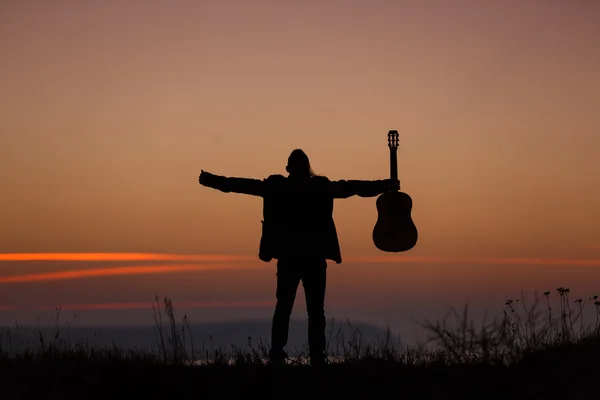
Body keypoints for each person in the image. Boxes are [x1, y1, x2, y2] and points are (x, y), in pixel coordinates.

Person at [198, 149, 399, 365]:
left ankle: (277, 353)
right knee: (314, 311)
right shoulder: (320, 187)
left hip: (289, 257)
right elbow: (353, 187)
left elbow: (239, 185)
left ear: (288, 169)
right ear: (307, 168)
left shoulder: (277, 187)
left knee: (284, 307)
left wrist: (211, 180)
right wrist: (384, 185)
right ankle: (316, 355)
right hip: (313, 258)